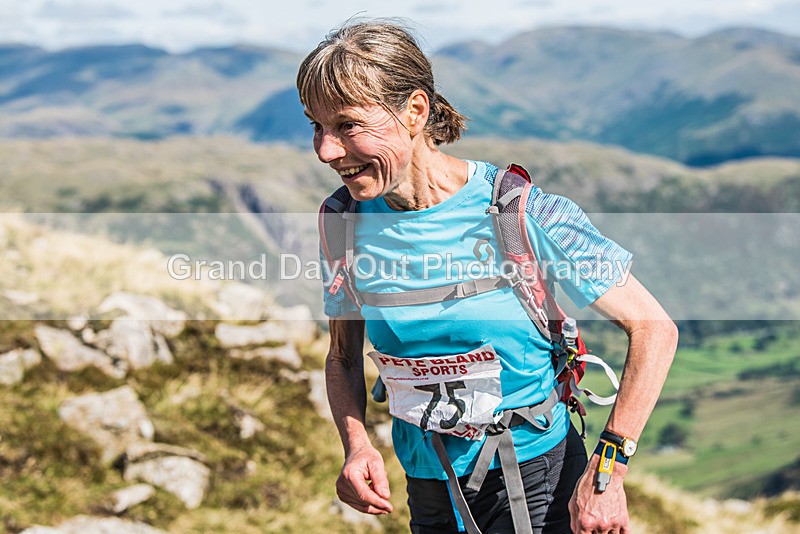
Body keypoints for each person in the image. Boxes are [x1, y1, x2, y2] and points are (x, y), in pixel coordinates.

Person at [297, 19, 678, 534]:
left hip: (537, 478)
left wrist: (607, 473)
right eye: (316, 126)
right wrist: (357, 443)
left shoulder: (516, 211)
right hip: (428, 483)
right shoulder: (342, 223)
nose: (326, 150)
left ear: (414, 111)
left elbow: (654, 328)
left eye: (347, 125)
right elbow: (342, 355)